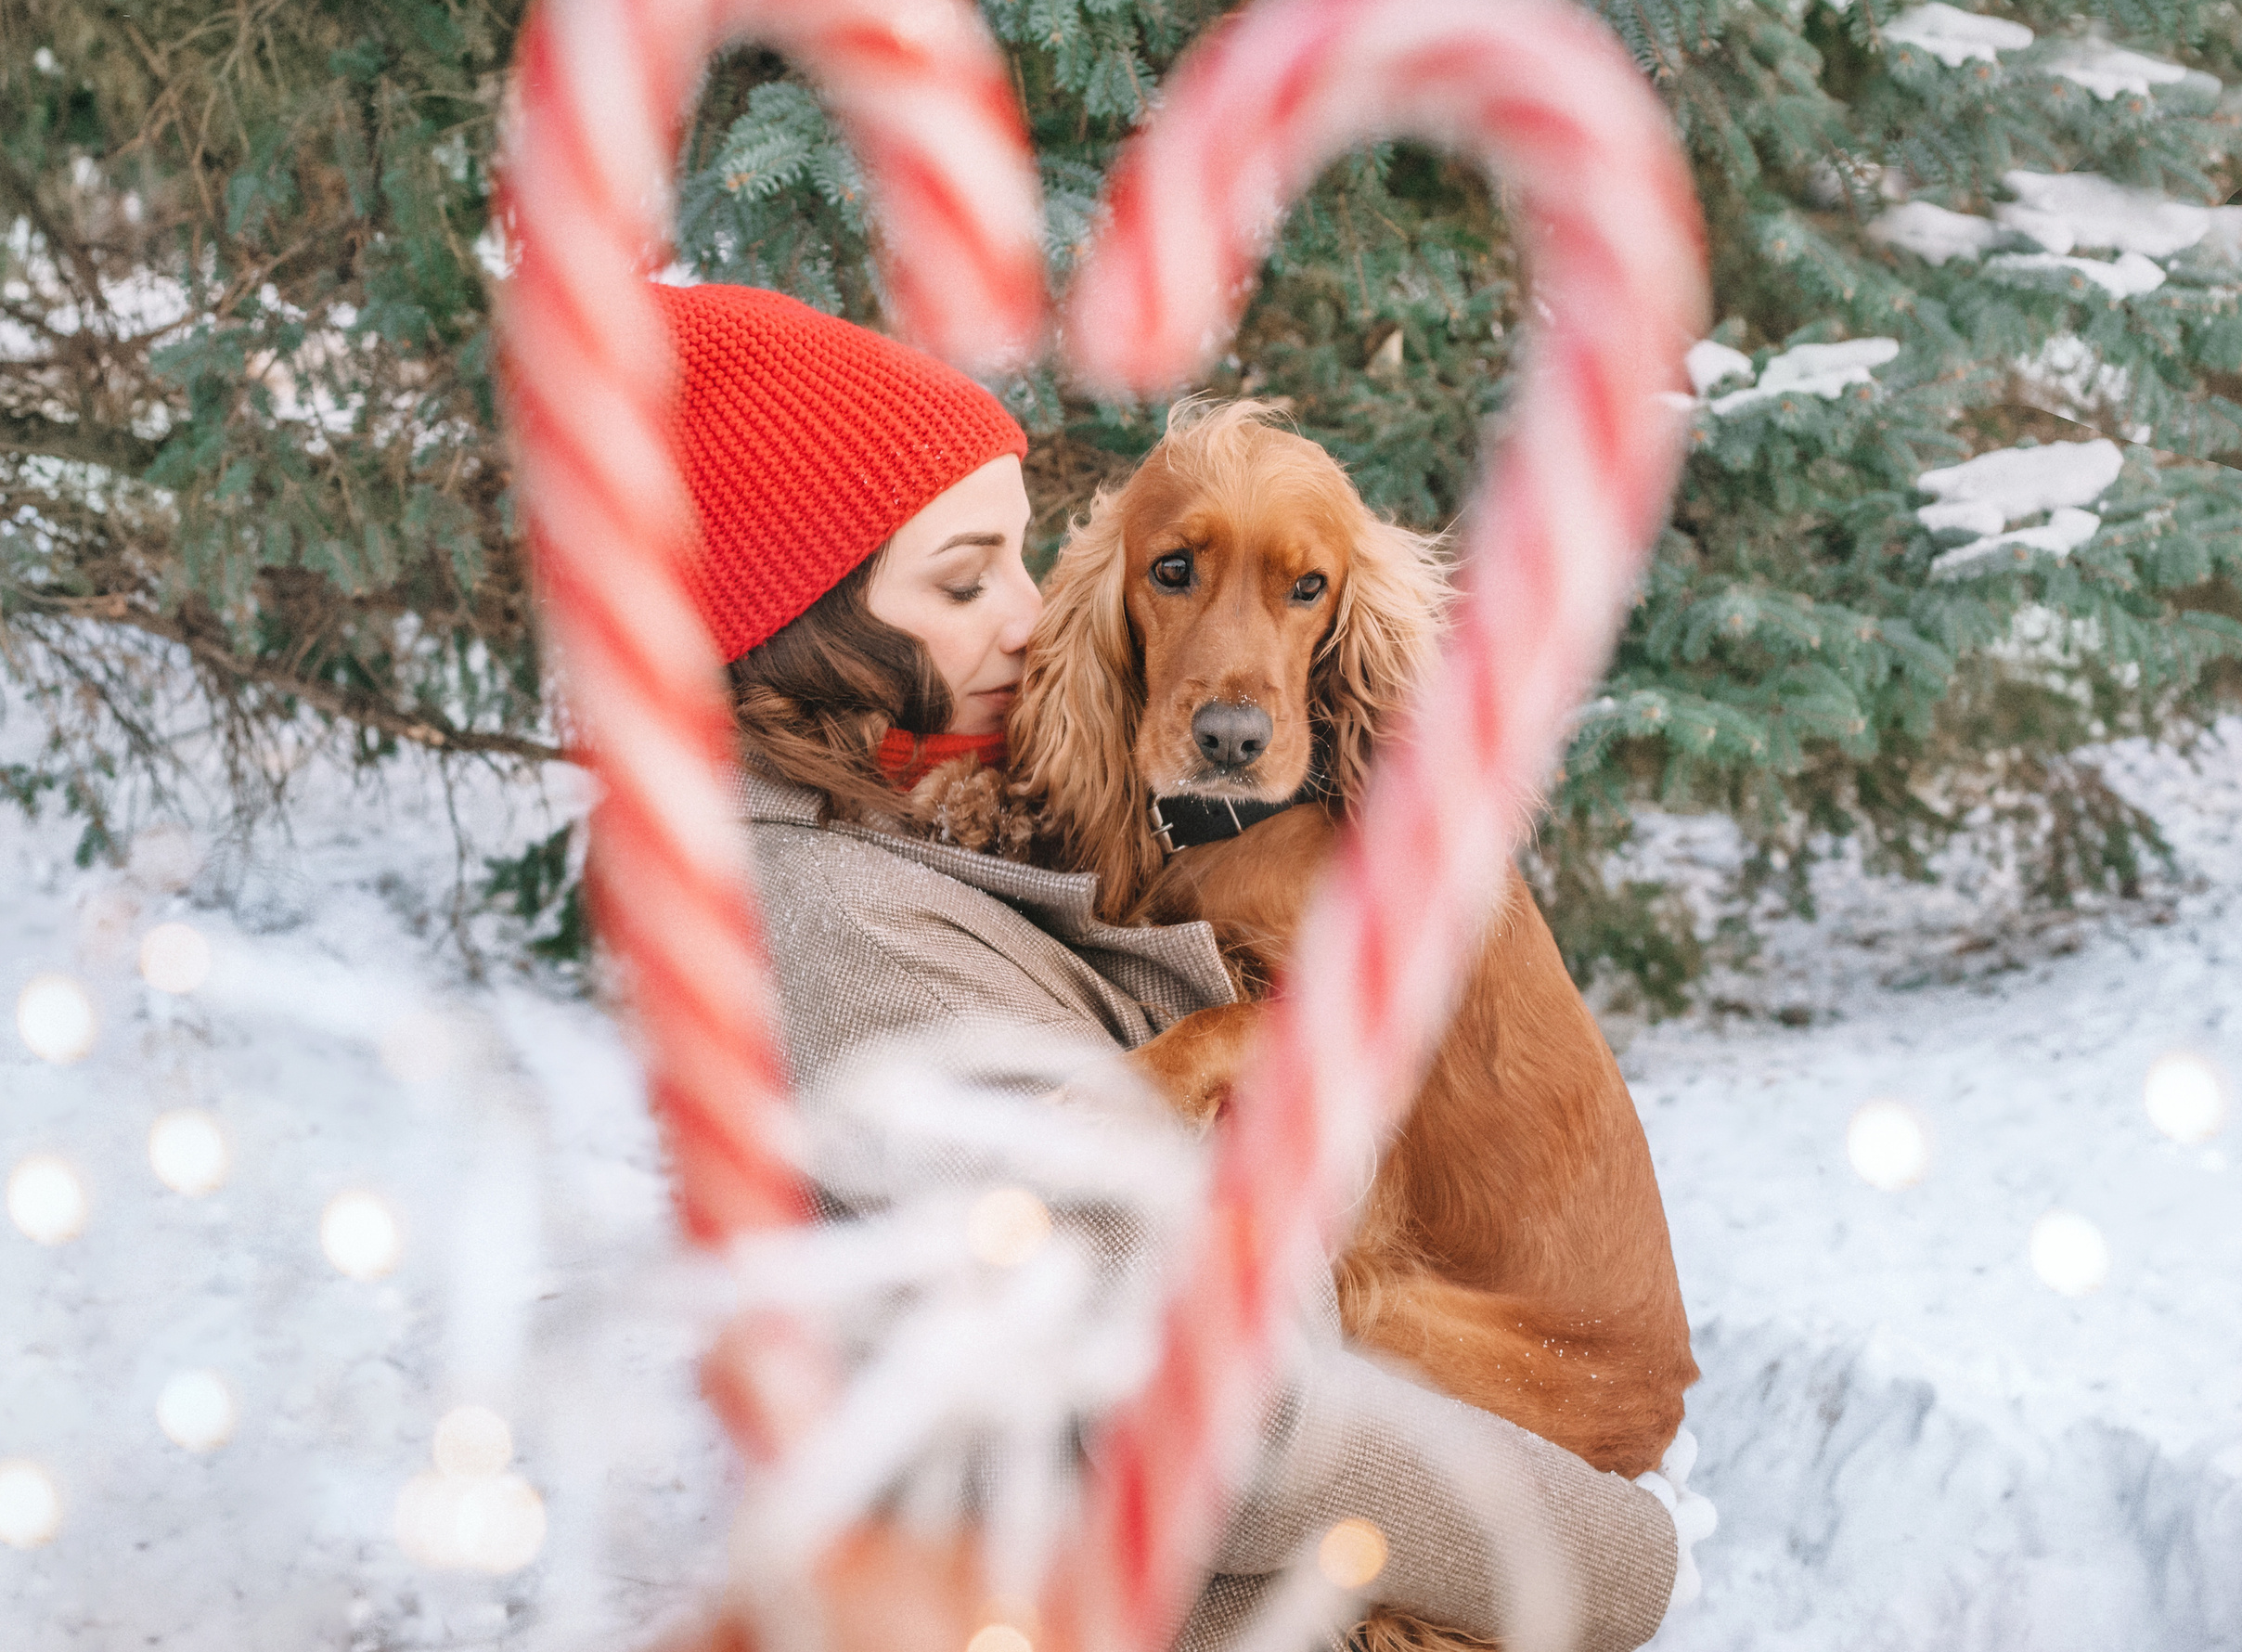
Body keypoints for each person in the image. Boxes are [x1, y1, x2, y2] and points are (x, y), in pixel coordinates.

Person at [655, 282, 1681, 1652]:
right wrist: (1632, 1560)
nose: (1031, 620)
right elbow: (1228, 1422)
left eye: (1025, 557)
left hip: (1513, 1383)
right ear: (808, 628)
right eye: (967, 580)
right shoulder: (842, 924)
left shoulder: (983, 810)